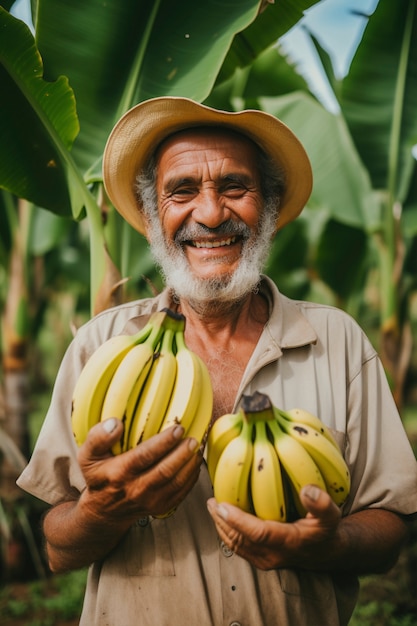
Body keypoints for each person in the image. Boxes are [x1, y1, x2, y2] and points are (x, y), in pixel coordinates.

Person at [17, 97, 417, 626]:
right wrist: (100, 508)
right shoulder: (102, 346)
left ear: (269, 207)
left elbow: (389, 528)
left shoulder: (338, 342)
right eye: (182, 191)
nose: (210, 213)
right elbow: (57, 549)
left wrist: (331, 543)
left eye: (235, 187)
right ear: (152, 216)